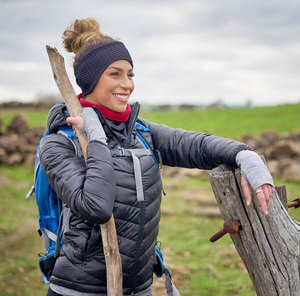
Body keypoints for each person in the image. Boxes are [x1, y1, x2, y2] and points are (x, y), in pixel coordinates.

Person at [41, 18, 274, 296]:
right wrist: (95, 135)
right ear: (90, 80)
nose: (127, 84)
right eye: (115, 74)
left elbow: (197, 146)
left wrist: (247, 157)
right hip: (79, 290)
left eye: (130, 74)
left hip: (140, 288)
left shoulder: (140, 131)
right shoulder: (60, 143)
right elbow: (96, 207)